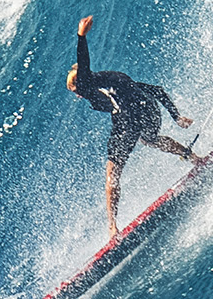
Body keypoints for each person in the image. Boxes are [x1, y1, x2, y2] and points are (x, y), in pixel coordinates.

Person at [66, 15, 198, 237]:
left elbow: (84, 63)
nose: (77, 94)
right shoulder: (112, 79)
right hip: (148, 113)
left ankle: (112, 227)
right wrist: (177, 117)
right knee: (150, 139)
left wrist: (81, 36)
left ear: (80, 83)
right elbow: (157, 90)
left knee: (112, 171)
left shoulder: (88, 85)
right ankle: (195, 159)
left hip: (129, 119)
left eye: (74, 89)